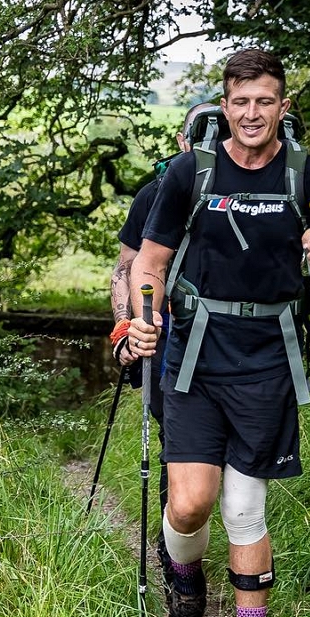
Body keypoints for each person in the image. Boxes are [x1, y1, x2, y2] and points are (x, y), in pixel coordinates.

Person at [126, 49, 310, 617]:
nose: (252, 113)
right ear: (224, 108)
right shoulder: (188, 174)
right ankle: (186, 584)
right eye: (240, 102)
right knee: (190, 505)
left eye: (265, 101)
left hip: (269, 360)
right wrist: (142, 320)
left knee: (244, 506)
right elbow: (148, 263)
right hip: (195, 354)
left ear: (282, 108)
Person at [110, 101, 218, 564]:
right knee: (177, 439)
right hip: (166, 331)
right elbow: (125, 269)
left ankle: (182, 541)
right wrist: (126, 329)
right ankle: (177, 557)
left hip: (229, 336)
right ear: (182, 140)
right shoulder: (155, 193)